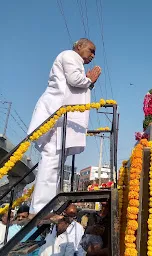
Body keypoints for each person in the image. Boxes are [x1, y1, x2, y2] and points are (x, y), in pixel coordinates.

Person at [27, 38, 101, 216]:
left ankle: (48, 208)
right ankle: (39, 210)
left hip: (62, 121)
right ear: (79, 46)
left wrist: (88, 80)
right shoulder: (69, 55)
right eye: (91, 50)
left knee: (57, 165)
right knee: (51, 160)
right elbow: (75, 80)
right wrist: (89, 79)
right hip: (56, 117)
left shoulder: (76, 61)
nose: (92, 55)